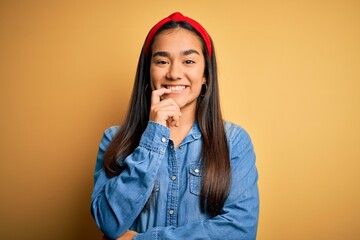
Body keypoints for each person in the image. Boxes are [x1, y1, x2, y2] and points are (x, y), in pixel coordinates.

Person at [91, 12, 259, 240]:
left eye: (188, 61)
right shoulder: (115, 140)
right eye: (161, 61)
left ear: (205, 75)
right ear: (148, 72)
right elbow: (109, 223)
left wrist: (141, 239)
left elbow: (240, 231)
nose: (173, 73)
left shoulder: (234, 142)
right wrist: (153, 136)